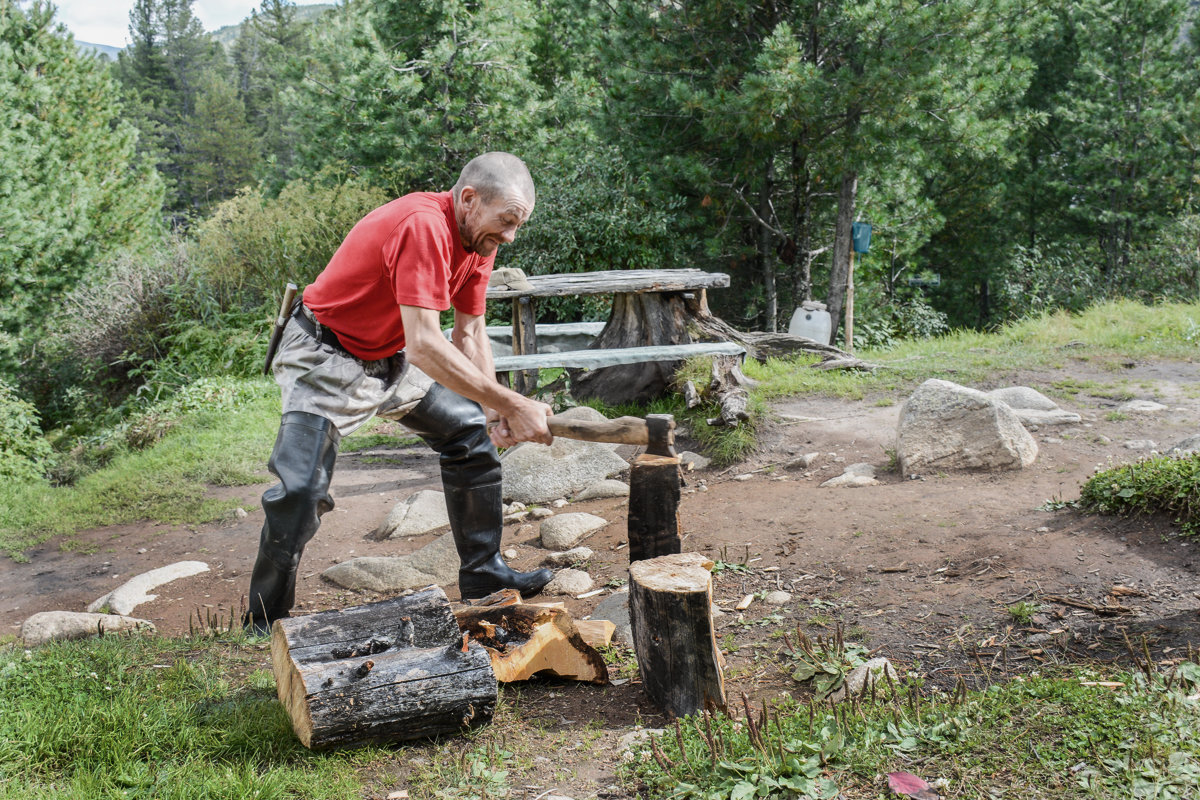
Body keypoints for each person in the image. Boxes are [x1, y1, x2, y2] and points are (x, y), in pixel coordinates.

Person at [244, 152, 555, 635]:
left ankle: (484, 576)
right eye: (506, 221)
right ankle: (265, 617)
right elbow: (426, 344)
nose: (511, 236)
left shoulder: (479, 239)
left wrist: (496, 407)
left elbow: (470, 333)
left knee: (469, 431)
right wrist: (515, 403)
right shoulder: (422, 225)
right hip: (324, 356)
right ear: (468, 200)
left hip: (387, 358)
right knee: (301, 490)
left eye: (518, 225)